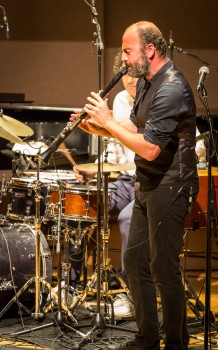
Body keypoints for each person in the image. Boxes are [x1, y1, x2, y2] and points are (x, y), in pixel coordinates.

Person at [70, 21, 199, 350]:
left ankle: (175, 343)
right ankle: (146, 337)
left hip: (172, 186)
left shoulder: (171, 88)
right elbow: (130, 126)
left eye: (128, 51)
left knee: (164, 267)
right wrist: (95, 124)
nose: (123, 59)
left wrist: (108, 121)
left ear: (150, 51)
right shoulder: (148, 83)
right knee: (135, 261)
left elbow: (150, 147)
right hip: (148, 182)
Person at [74, 50, 138, 318]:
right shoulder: (122, 100)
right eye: (126, 77)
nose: (130, 81)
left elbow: (198, 143)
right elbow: (113, 147)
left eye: (135, 76)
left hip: (149, 181)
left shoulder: (159, 97)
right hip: (124, 180)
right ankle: (69, 286)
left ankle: (128, 293)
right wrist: (92, 170)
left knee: (126, 219)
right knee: (82, 207)